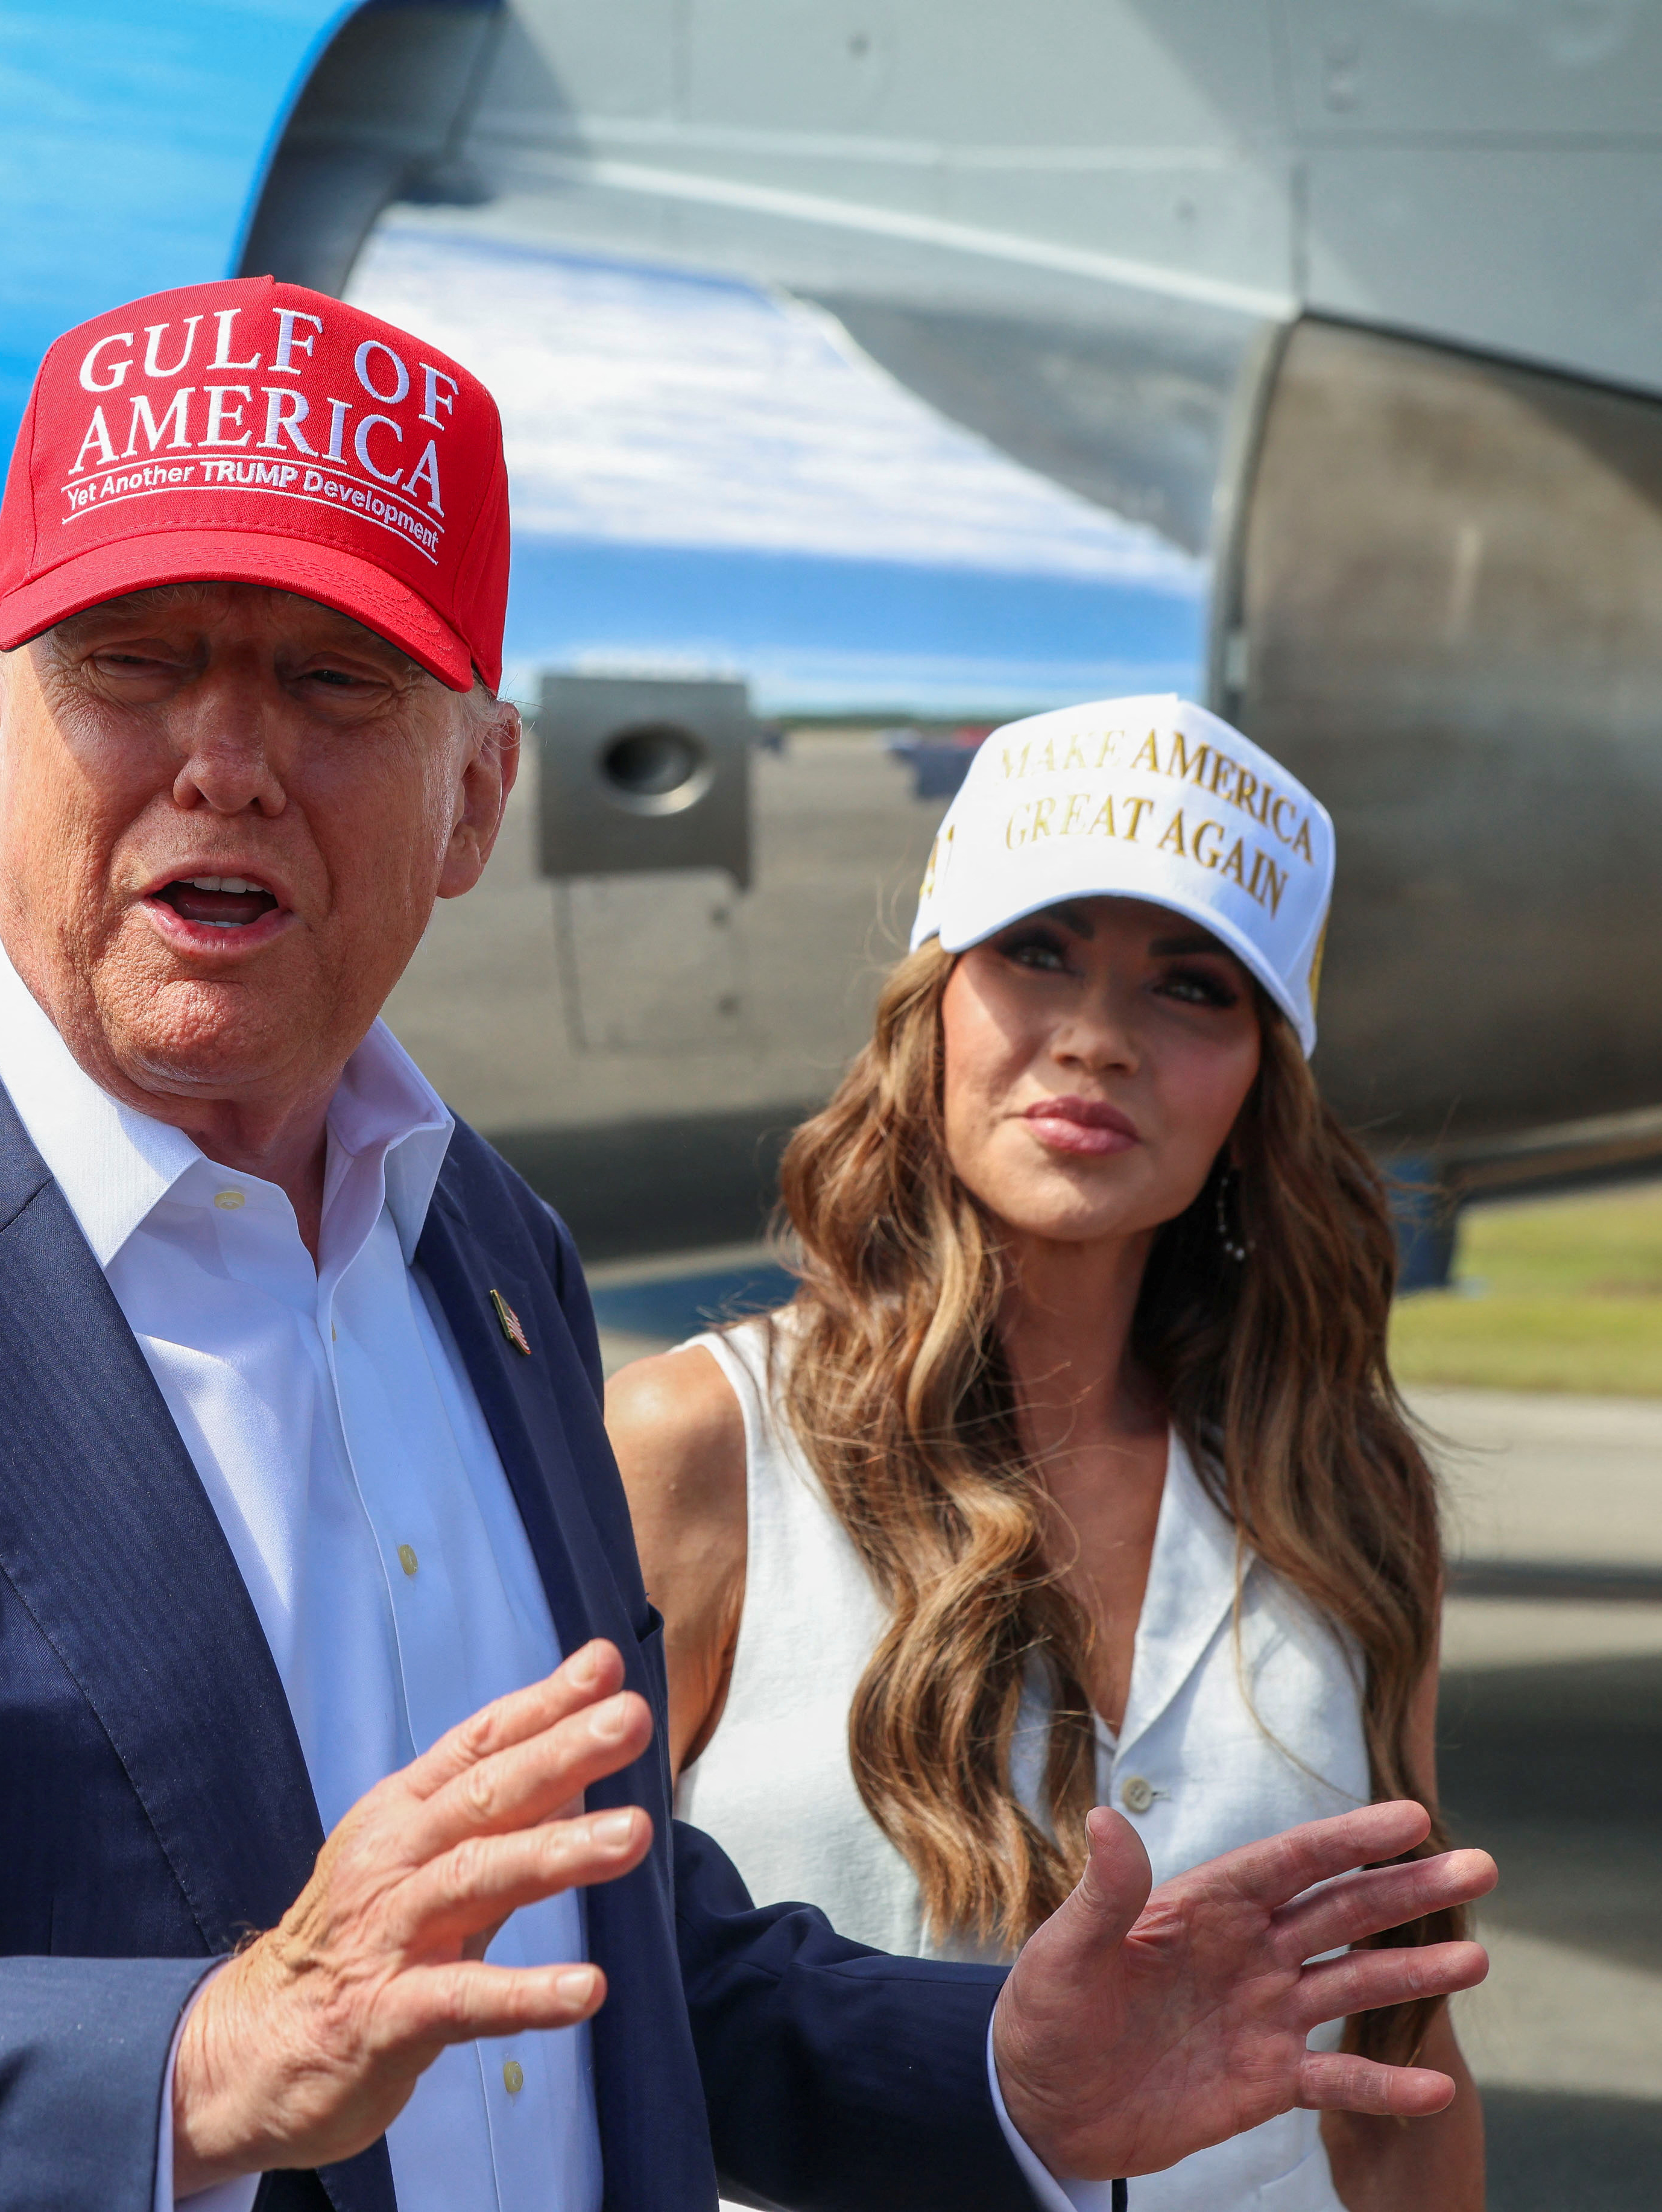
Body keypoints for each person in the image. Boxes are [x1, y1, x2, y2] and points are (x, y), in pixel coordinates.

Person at [0, 275, 1493, 2212]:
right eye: (131, 660)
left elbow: (605, 1939)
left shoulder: (482, 1247)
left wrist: (999, 2071)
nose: (228, 754)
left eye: (332, 679)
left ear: (477, 794)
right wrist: (200, 2062)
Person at [607, 698, 1480, 2211]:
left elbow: (1396, 2073)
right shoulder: (699, 1447)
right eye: (1038, 950)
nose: (1094, 1035)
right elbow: (561, 2008)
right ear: (936, 998)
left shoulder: (1345, 1500)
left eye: (1189, 986)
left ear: (1257, 1079)